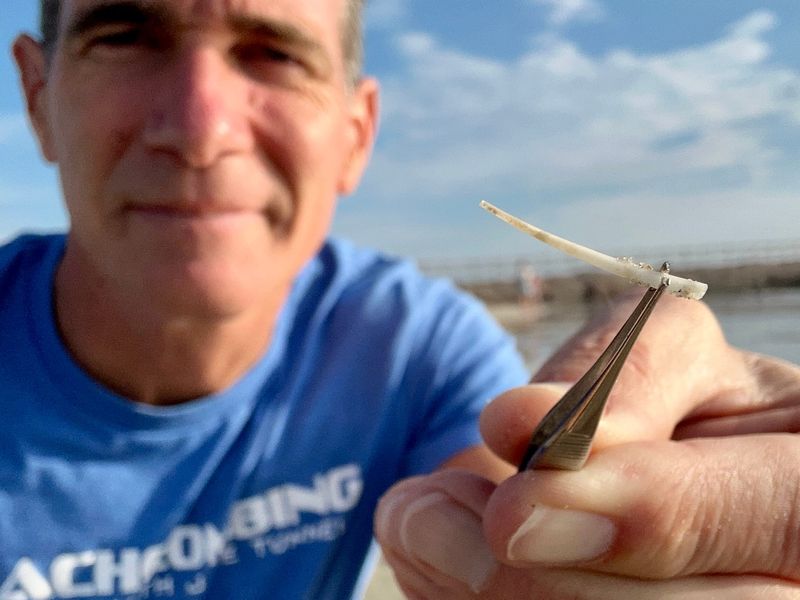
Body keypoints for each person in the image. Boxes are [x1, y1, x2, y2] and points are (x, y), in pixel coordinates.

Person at [3, 1, 799, 599]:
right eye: (125, 36)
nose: (199, 129)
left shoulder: (422, 348)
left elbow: (501, 523)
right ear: (36, 97)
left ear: (356, 136)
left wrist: (606, 540)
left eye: (274, 54)